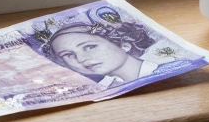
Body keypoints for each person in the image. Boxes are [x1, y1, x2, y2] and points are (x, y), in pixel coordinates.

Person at [42, 21, 196, 89]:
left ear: (124, 44)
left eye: (89, 47)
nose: (81, 59)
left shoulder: (174, 70)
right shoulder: (99, 89)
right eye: (68, 55)